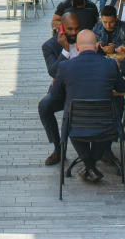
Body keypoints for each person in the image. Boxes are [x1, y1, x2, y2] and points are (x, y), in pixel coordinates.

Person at [48, 29, 125, 182]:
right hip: (106, 125)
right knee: (105, 124)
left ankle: (89, 165)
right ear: (97, 46)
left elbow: (55, 95)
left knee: (72, 120)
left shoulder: (65, 67)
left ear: (77, 47)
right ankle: (91, 166)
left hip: (76, 125)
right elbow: (122, 89)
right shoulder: (111, 64)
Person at [38, 11, 83, 166]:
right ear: (62, 28)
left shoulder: (85, 40)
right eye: (70, 29)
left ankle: (105, 150)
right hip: (62, 91)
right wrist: (65, 51)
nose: (74, 33)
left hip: (83, 91)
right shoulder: (49, 46)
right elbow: (53, 71)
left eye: (76, 29)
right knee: (44, 106)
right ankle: (58, 149)